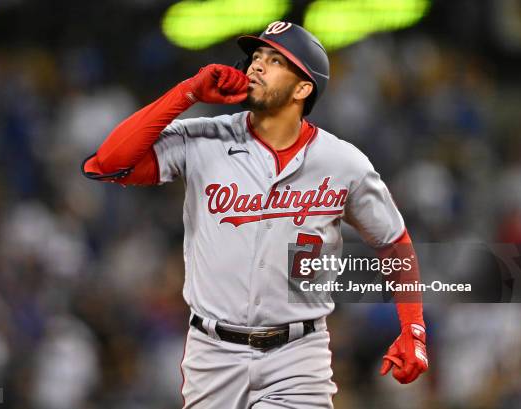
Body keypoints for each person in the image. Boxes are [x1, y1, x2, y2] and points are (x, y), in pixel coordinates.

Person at [82, 21, 428, 409]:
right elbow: (107, 163)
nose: (257, 66)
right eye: (257, 56)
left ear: (303, 88)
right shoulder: (204, 139)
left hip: (298, 354)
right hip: (212, 355)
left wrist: (412, 327)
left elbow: (393, 241)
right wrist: (189, 92)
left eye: (276, 60)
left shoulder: (342, 162)